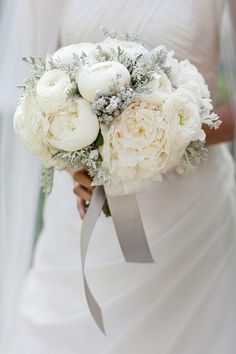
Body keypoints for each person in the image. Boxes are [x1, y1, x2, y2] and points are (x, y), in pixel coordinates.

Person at [8, 0, 236, 353]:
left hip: (191, 220)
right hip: (81, 209)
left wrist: (166, 134)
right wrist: (75, 153)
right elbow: (40, 86)